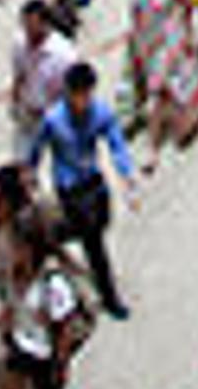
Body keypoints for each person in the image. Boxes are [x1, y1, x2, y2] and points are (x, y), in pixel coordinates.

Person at [28, 58, 141, 316]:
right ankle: (110, 298)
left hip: (93, 180)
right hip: (70, 187)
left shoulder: (101, 113)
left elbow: (116, 145)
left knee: (97, 227)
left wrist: (127, 175)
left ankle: (56, 238)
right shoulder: (53, 120)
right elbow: (37, 149)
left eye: (87, 94)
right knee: (95, 244)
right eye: (78, 95)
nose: (83, 101)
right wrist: (30, 173)